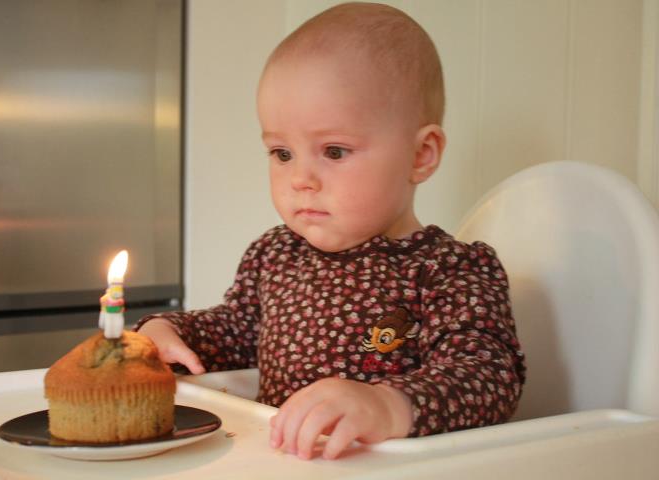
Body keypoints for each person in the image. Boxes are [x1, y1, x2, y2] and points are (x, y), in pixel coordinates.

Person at [136, 2, 525, 461]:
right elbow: (236, 330)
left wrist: (387, 405)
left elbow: (487, 376)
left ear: (420, 155)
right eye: (282, 154)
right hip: (281, 462)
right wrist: (169, 331)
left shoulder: (449, 270)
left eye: (334, 151)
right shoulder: (276, 254)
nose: (301, 179)